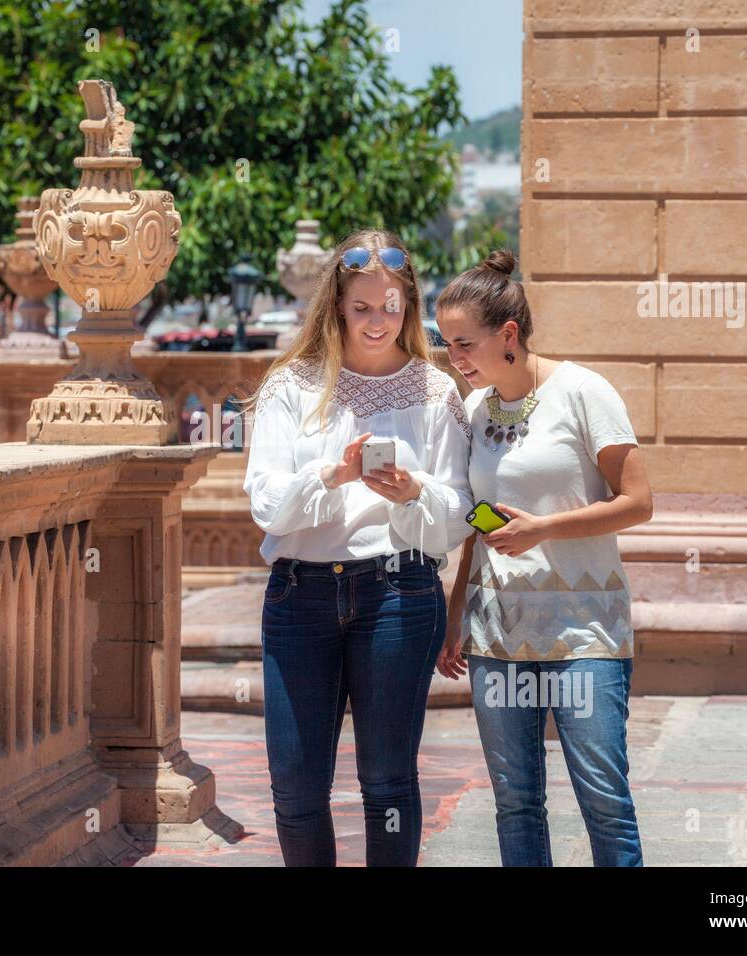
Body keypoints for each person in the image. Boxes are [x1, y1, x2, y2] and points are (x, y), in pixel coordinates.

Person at [243, 228, 475, 866]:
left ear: (410, 304)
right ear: (336, 306)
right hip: (300, 596)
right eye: (362, 308)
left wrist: (408, 492)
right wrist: (335, 474)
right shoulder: (291, 385)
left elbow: (458, 514)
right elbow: (265, 503)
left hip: (399, 593)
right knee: (294, 787)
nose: (378, 321)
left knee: (388, 782)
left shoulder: (436, 393)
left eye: (391, 306)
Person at [434, 249, 653, 867]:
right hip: (496, 634)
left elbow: (638, 502)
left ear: (508, 335)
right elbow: (481, 519)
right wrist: (457, 616)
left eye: (464, 343)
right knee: (516, 804)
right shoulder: (474, 412)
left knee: (605, 802)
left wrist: (545, 529)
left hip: (585, 631)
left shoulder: (584, 391)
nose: (455, 358)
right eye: (446, 343)